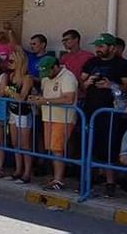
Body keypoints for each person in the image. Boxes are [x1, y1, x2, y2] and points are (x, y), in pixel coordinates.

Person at [80, 33, 127, 196]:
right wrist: (87, 82)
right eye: (97, 46)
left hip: (111, 112)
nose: (98, 49)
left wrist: (111, 85)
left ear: (112, 48)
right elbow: (81, 82)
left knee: (109, 147)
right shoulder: (91, 62)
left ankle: (110, 182)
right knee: (89, 145)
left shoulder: (122, 64)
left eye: (101, 46)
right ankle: (89, 178)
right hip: (90, 110)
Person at [29, 56, 78, 191]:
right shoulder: (45, 78)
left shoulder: (68, 77)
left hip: (63, 119)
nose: (46, 76)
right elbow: (46, 95)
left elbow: (69, 99)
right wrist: (37, 98)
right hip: (48, 117)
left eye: (48, 72)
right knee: (51, 148)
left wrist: (45, 101)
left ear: (55, 67)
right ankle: (54, 176)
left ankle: (58, 180)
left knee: (57, 149)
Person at [6, 48, 36, 184]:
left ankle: (27, 172)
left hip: (24, 113)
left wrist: (9, 91)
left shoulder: (27, 78)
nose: (9, 63)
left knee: (25, 144)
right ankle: (18, 170)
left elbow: (22, 97)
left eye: (11, 61)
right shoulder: (11, 76)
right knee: (15, 143)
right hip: (12, 112)